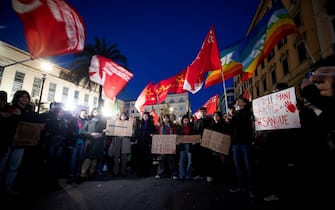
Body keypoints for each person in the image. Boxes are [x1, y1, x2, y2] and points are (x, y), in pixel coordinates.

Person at [154, 114, 178, 179]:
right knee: (162, 160)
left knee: (171, 160)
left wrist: (171, 128)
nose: (166, 119)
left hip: (170, 144)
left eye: (167, 118)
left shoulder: (172, 126)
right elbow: (157, 133)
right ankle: (159, 173)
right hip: (162, 144)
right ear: (163, 119)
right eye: (164, 118)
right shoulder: (161, 126)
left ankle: (174, 174)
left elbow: (174, 133)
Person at [134, 112, 157, 177]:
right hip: (140, 143)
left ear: (148, 117)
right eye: (144, 116)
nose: (145, 117)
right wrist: (136, 139)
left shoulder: (151, 124)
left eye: (146, 116)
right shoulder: (140, 123)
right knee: (140, 157)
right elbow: (137, 132)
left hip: (147, 143)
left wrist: (152, 134)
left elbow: (154, 131)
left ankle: (147, 172)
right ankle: (139, 171)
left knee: (147, 158)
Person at [111, 112, 132, 177]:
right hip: (117, 140)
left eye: (124, 116)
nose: (123, 117)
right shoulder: (116, 122)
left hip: (125, 140)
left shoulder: (129, 123)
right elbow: (112, 129)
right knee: (116, 157)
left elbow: (132, 133)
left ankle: (123, 172)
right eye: (122, 116)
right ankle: (115, 172)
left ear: (126, 117)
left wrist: (131, 132)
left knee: (124, 157)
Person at [176, 114, 195, 180]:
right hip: (182, 146)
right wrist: (177, 141)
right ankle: (182, 175)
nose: (186, 121)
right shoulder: (179, 127)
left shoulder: (191, 127)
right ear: (182, 120)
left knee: (190, 161)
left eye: (187, 120)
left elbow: (194, 136)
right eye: (185, 120)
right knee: (182, 161)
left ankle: (188, 175)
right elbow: (177, 136)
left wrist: (194, 141)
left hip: (189, 146)